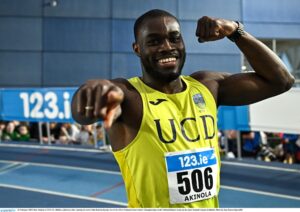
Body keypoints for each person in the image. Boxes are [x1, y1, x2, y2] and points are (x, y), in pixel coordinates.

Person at [71, 9, 294, 208]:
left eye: (174, 38)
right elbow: (84, 112)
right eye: (154, 41)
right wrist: (93, 91)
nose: (167, 47)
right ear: (137, 49)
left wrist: (235, 31)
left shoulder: (207, 86)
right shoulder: (129, 97)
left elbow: (281, 81)